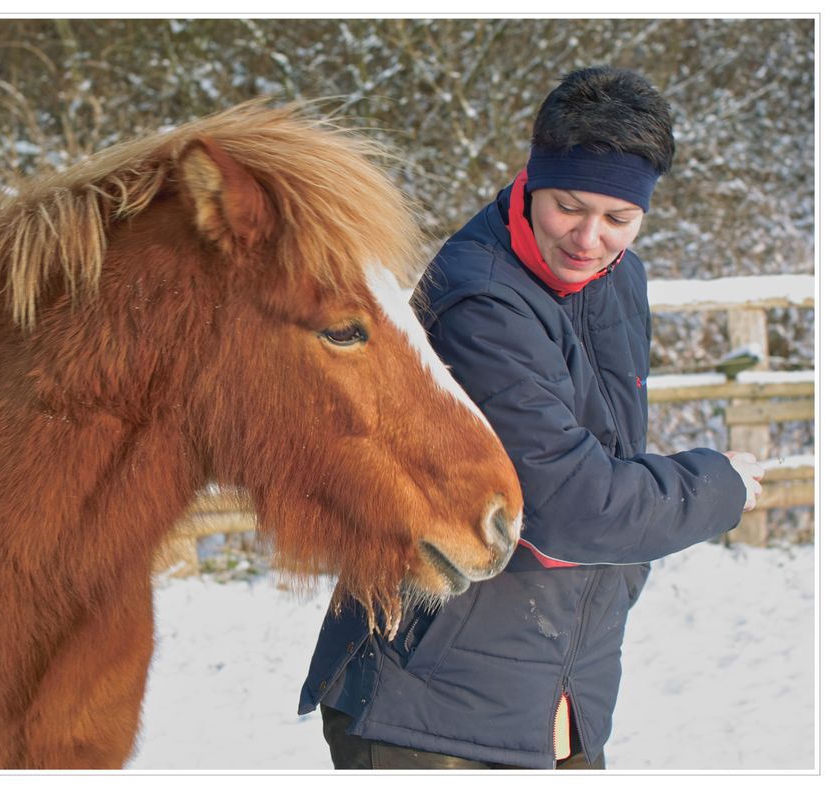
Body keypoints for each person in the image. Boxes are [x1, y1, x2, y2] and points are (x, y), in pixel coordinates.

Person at [298, 66, 765, 770]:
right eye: (569, 207)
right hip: (429, 712)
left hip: (556, 696)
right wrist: (717, 486)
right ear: (532, 180)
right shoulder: (480, 300)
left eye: (619, 218)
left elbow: (607, 456)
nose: (588, 238)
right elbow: (574, 509)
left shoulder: (619, 277)